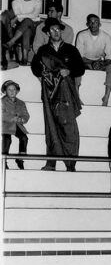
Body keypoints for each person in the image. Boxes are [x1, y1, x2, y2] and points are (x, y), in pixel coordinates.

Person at [30, 17, 84, 171]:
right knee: (50, 125)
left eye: (57, 29)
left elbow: (80, 68)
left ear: (61, 31)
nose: (55, 32)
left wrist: (69, 71)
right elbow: (35, 67)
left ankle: (71, 163)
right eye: (52, 30)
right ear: (48, 33)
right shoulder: (43, 50)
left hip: (66, 91)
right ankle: (51, 162)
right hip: (49, 92)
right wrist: (44, 75)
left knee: (69, 127)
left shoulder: (71, 49)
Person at [75, 14, 111, 107]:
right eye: (91, 22)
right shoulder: (82, 35)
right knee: (75, 66)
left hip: (99, 62)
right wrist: (90, 63)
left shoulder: (106, 36)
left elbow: (109, 57)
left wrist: (100, 63)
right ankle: (77, 96)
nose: (93, 24)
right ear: (87, 24)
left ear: (100, 24)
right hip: (84, 62)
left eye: (96, 22)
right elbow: (78, 56)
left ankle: (106, 96)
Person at [5, 0, 42, 64]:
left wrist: (18, 16)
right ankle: (25, 59)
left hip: (35, 27)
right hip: (22, 27)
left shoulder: (37, 1)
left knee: (28, 21)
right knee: (26, 30)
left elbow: (34, 14)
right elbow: (21, 20)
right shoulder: (15, 2)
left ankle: (12, 41)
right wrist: (19, 17)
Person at [2, 79, 30, 169]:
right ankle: (3, 160)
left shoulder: (21, 103)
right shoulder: (2, 101)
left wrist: (22, 119)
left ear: (17, 91)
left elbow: (26, 115)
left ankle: (20, 159)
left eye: (14, 89)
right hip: (4, 125)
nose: (12, 92)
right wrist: (12, 118)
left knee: (24, 138)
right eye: (9, 90)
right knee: (7, 139)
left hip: (17, 125)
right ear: (5, 91)